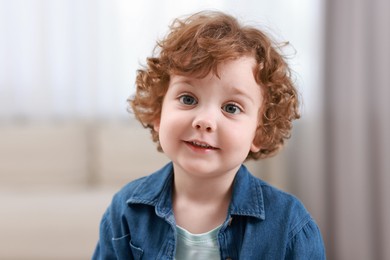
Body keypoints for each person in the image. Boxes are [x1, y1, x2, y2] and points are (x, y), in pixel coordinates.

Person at [93, 10, 325, 259]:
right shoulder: (126, 211)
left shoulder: (290, 224)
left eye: (231, 108)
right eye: (188, 98)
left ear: (259, 133)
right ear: (158, 113)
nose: (204, 121)